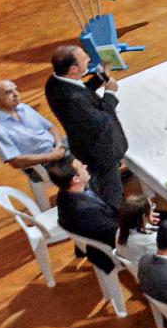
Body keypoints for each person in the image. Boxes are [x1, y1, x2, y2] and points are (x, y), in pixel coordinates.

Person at [44, 44, 128, 210]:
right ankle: (114, 222)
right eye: (84, 58)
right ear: (73, 69)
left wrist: (101, 75)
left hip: (84, 147)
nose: (89, 59)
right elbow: (101, 121)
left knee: (103, 185)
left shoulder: (54, 83)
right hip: (100, 153)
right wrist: (110, 93)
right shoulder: (73, 98)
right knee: (111, 194)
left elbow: (83, 92)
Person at [0, 79, 65, 203]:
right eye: (8, 92)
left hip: (59, 148)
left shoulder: (24, 108)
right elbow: (16, 161)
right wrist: (51, 156)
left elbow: (51, 127)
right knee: (90, 162)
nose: (16, 94)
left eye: (15, 89)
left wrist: (59, 145)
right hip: (43, 165)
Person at [50, 159, 118, 272]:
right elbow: (115, 233)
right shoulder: (86, 210)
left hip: (104, 232)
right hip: (111, 249)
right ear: (75, 179)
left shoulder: (64, 194)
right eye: (81, 167)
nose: (86, 166)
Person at [114, 195, 167, 270]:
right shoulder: (151, 241)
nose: (153, 210)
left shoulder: (120, 231)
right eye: (151, 208)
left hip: (145, 267)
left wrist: (147, 222)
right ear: (143, 216)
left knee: (163, 215)